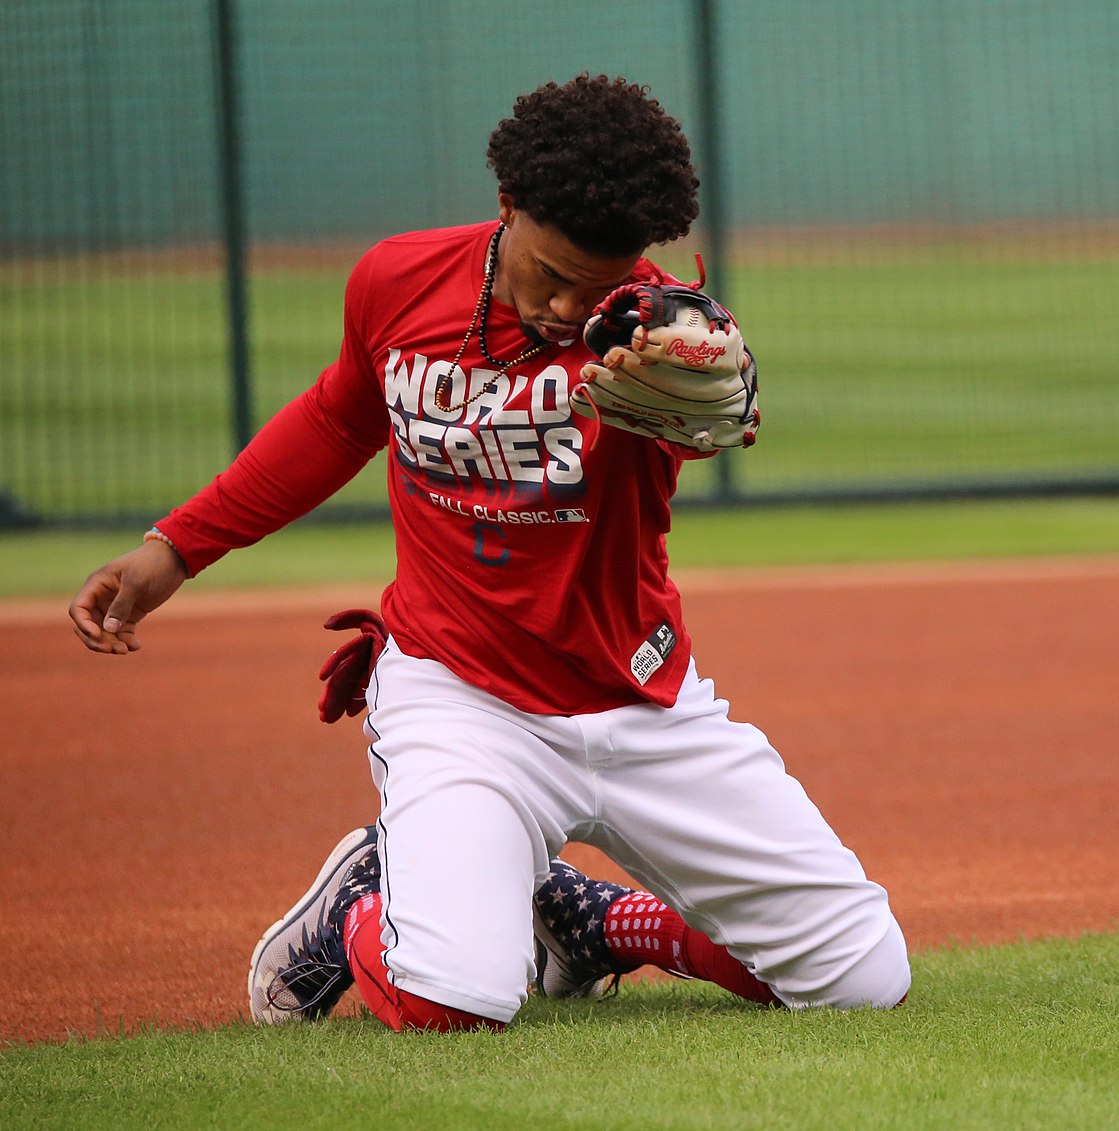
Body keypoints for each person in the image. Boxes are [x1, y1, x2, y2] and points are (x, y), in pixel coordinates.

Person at [69, 73, 910, 1032]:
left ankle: (596, 924)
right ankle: (362, 900)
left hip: (640, 702)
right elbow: (337, 421)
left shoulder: (652, 338)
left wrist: (718, 391)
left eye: (596, 282)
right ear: (506, 205)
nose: (565, 305)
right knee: (452, 1000)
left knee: (858, 978)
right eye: (550, 274)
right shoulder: (396, 280)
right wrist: (175, 547)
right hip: (460, 694)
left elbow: (712, 390)